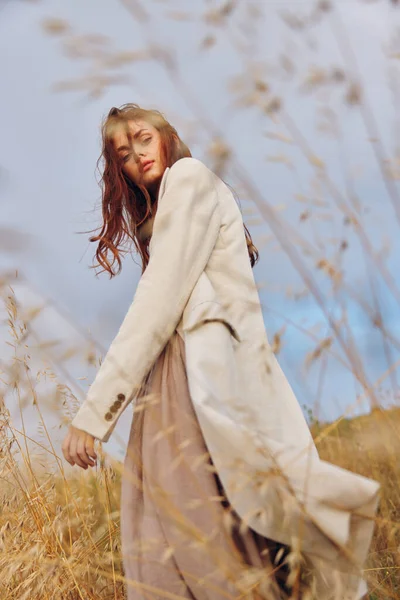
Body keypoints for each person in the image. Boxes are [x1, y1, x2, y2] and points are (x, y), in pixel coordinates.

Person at [62, 103, 380, 600]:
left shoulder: (188, 179)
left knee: (195, 533)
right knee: (194, 529)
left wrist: (94, 413)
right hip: (179, 376)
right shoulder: (174, 199)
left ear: (166, 136)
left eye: (144, 139)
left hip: (193, 375)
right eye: (124, 153)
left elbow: (157, 300)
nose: (138, 156)